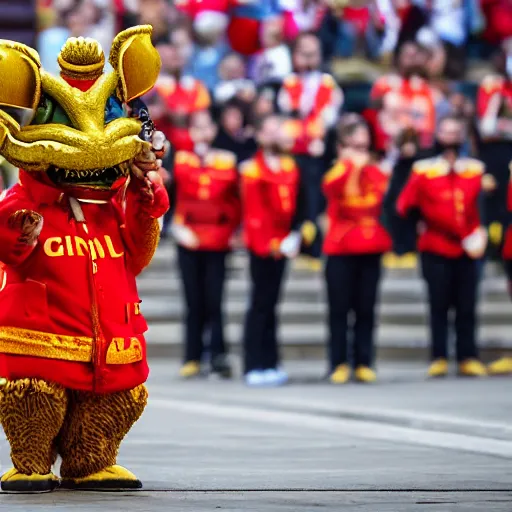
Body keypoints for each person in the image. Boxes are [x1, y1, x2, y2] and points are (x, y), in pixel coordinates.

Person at [396, 115, 494, 379]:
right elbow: (405, 206)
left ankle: (467, 356)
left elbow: (482, 206)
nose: (450, 137)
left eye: (455, 132)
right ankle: (439, 355)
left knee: (467, 304)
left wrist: (482, 232)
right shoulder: (423, 169)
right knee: (438, 303)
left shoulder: (474, 169)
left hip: (468, 247)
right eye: (446, 132)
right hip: (435, 245)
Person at [240, 114, 313, 387]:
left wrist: (295, 236)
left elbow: (301, 205)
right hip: (263, 245)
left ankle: (271, 361)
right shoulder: (251, 169)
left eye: (277, 130)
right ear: (260, 135)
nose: (275, 135)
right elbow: (255, 214)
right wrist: (271, 243)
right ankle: (253, 362)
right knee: (259, 304)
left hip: (284, 244)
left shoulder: (291, 167)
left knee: (272, 304)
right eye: (270, 130)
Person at [170, 110, 240, 379]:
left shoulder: (226, 160)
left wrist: (232, 231)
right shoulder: (181, 159)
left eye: (206, 127)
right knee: (192, 300)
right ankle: (193, 356)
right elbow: (171, 197)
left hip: (217, 239)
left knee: (215, 299)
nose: (202, 133)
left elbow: (234, 201)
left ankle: (219, 355)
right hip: (188, 237)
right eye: (196, 128)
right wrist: (175, 227)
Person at [322, 116, 392, 384]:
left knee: (366, 306)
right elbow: (331, 190)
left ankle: (364, 360)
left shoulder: (376, 170)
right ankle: (338, 361)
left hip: (370, 243)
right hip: (341, 245)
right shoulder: (336, 170)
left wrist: (365, 167)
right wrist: (349, 167)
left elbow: (378, 197)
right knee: (339, 308)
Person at [278, 32, 343, 265]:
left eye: (312, 53)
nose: (307, 57)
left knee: (315, 200)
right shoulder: (289, 82)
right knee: (293, 198)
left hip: (317, 152)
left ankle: (314, 247)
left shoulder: (327, 82)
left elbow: (331, 114)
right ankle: (292, 241)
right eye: (302, 52)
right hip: (293, 150)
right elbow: (286, 106)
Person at [368, 40, 437, 154]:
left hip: (418, 145)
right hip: (388, 144)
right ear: (399, 57)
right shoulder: (385, 83)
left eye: (415, 56)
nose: (411, 60)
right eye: (408, 55)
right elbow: (372, 113)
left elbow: (429, 121)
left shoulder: (425, 88)